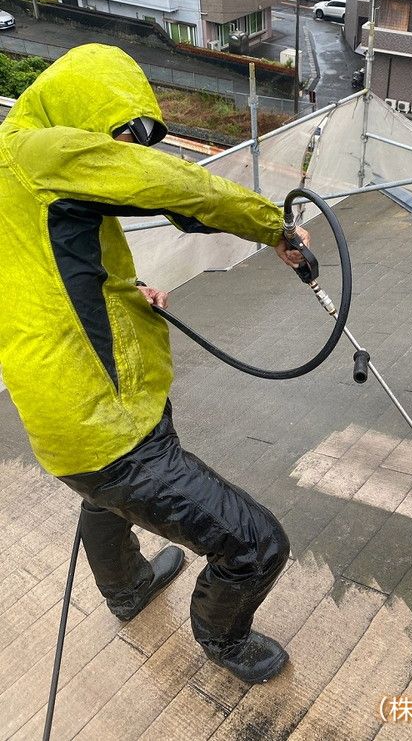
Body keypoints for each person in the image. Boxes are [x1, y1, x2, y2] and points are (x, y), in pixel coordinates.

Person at [0, 43, 310, 684]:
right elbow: (173, 185)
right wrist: (272, 227)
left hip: (68, 418)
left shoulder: (14, 170)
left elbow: (41, 270)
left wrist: (123, 290)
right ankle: (223, 639)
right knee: (256, 544)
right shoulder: (41, 152)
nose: (128, 150)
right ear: (84, 105)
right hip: (103, 420)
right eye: (121, 132)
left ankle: (128, 589)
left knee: (104, 500)